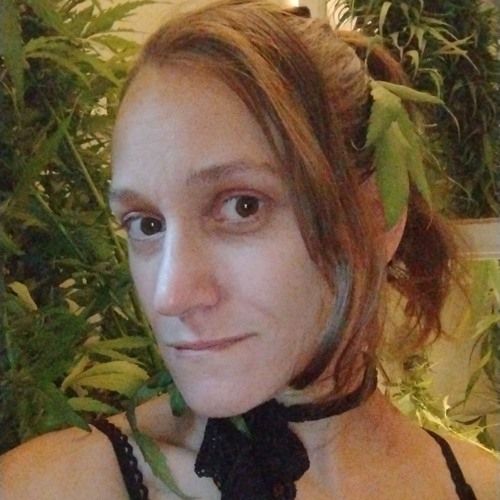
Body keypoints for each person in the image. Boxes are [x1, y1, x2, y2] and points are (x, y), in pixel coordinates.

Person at [0, 1, 498, 498]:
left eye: (242, 207)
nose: (170, 296)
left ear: (376, 219)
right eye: (147, 224)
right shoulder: (47, 487)